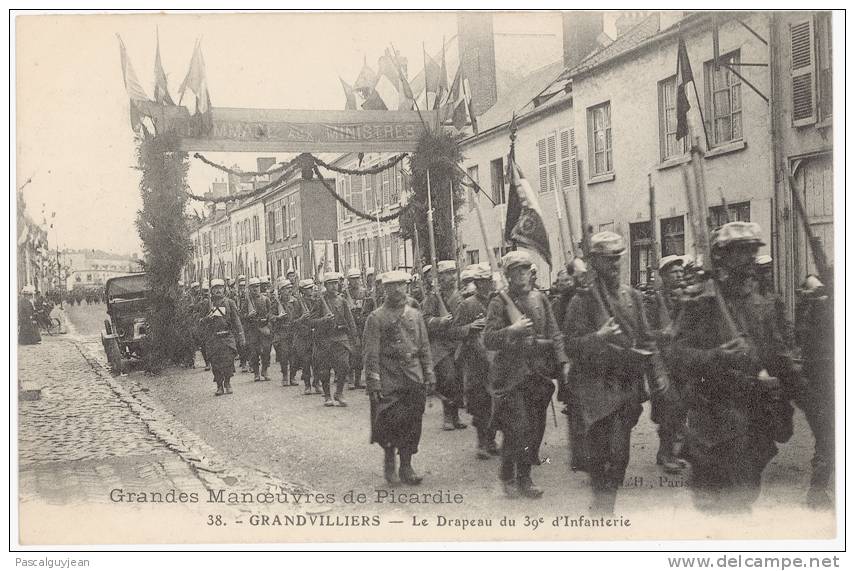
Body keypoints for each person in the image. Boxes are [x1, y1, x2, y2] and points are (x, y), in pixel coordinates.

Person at [673, 222, 798, 513]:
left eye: (753, 250)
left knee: (745, 493)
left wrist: (804, 390)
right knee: (721, 501)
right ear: (722, 256)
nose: (751, 257)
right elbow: (676, 355)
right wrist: (716, 356)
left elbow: (778, 354)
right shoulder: (701, 302)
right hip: (714, 414)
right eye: (742, 251)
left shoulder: (761, 303)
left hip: (756, 413)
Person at [564, 232, 664, 514]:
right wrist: (598, 336)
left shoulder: (631, 296)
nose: (615, 265)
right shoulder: (581, 301)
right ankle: (603, 506)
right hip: (595, 386)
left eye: (618, 259)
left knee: (620, 455)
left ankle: (605, 501)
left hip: (626, 385)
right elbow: (570, 345)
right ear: (595, 263)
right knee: (603, 452)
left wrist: (656, 374)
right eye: (609, 261)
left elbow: (646, 338)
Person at [484, 251, 569, 499]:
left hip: (538, 374)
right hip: (510, 376)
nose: (521, 275)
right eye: (515, 271)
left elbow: (554, 333)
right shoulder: (499, 302)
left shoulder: (540, 299)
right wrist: (512, 329)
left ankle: (524, 475)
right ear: (508, 275)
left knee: (534, 429)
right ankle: (511, 476)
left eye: (524, 270)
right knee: (517, 428)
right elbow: (488, 338)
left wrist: (562, 361)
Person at [364, 270, 435, 485]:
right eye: (392, 286)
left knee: (413, 421)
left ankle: (406, 465)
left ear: (407, 286)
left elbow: (424, 347)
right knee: (389, 421)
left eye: (401, 285)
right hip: (389, 376)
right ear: (384, 289)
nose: (397, 290)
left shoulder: (415, 315)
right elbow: (371, 353)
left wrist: (429, 372)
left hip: (413, 375)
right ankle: (389, 461)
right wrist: (374, 381)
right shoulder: (376, 318)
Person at [643, 255, 689, 474]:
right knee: (669, 405)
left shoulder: (686, 299)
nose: (679, 275)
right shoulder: (653, 300)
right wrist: (662, 334)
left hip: (682, 362)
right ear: (662, 276)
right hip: (659, 361)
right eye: (674, 272)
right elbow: (643, 333)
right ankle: (668, 453)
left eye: (681, 271)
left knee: (679, 408)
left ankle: (666, 452)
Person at [794, 273, 835, 509]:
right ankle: (817, 491)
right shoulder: (814, 316)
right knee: (827, 436)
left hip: (826, 381)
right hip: (821, 384)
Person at [454, 263, 498, 459]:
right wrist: (470, 327)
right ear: (477, 284)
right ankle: (482, 443)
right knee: (480, 403)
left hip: (496, 359)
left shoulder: (498, 302)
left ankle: (491, 439)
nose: (486, 285)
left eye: (489, 281)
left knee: (497, 401)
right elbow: (454, 331)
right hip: (475, 361)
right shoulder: (467, 305)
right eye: (482, 282)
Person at [421, 260, 468, 431]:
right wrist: (439, 321)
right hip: (440, 344)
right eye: (447, 274)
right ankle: (447, 415)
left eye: (453, 273)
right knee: (448, 378)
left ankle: (455, 415)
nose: (451, 277)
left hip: (458, 342)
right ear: (440, 277)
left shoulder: (461, 295)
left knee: (458, 380)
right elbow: (424, 319)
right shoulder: (434, 297)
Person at [310, 272, 359, 407]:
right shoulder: (320, 300)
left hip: (340, 337)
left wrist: (354, 338)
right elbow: (311, 321)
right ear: (325, 285)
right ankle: (327, 395)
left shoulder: (342, 300)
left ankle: (339, 392)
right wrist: (323, 320)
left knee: (344, 365)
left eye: (335, 283)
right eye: (330, 283)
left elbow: (350, 320)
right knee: (324, 369)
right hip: (324, 339)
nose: (334, 286)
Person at [200, 278, 245, 396]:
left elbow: (236, 321)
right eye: (215, 288)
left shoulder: (230, 302)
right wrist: (207, 319)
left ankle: (228, 383)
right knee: (215, 363)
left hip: (227, 337)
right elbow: (199, 321)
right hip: (213, 338)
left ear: (224, 289)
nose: (218, 290)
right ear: (211, 290)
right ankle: (219, 385)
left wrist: (241, 336)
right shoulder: (207, 304)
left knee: (228, 361)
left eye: (220, 288)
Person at [271, 277, 299, 387]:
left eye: (290, 289)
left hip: (293, 331)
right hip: (281, 332)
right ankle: (285, 376)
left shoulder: (295, 302)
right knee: (283, 355)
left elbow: (299, 314)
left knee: (294, 356)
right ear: (281, 291)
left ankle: (292, 376)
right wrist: (277, 317)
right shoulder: (276, 302)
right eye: (286, 289)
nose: (288, 291)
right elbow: (270, 316)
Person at [244, 277, 273, 382]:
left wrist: (268, 325)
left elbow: (271, 313)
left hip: (264, 327)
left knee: (266, 350)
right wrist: (248, 315)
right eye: (252, 287)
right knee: (254, 352)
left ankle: (264, 370)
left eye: (256, 286)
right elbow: (241, 316)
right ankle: (256, 373)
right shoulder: (247, 301)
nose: (255, 289)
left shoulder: (265, 299)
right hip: (252, 330)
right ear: (249, 289)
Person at [345, 268, 368, 390]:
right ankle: (350, 379)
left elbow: (368, 307)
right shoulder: (345, 293)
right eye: (353, 279)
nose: (355, 281)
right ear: (349, 280)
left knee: (359, 354)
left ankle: (358, 380)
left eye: (357, 278)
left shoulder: (364, 292)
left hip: (361, 325)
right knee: (350, 353)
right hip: (349, 325)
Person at [293, 279, 318, 394]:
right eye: (308, 288)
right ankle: (307, 385)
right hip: (303, 337)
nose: (311, 290)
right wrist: (302, 318)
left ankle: (317, 383)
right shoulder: (298, 303)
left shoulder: (317, 301)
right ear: (302, 290)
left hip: (316, 334)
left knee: (317, 361)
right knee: (306, 362)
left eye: (312, 288)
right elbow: (293, 322)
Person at [234, 276, 250, 372]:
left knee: (249, 344)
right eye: (241, 287)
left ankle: (250, 362)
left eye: (244, 287)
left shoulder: (249, 298)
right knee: (240, 344)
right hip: (239, 323)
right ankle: (243, 362)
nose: (243, 289)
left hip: (248, 323)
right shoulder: (236, 298)